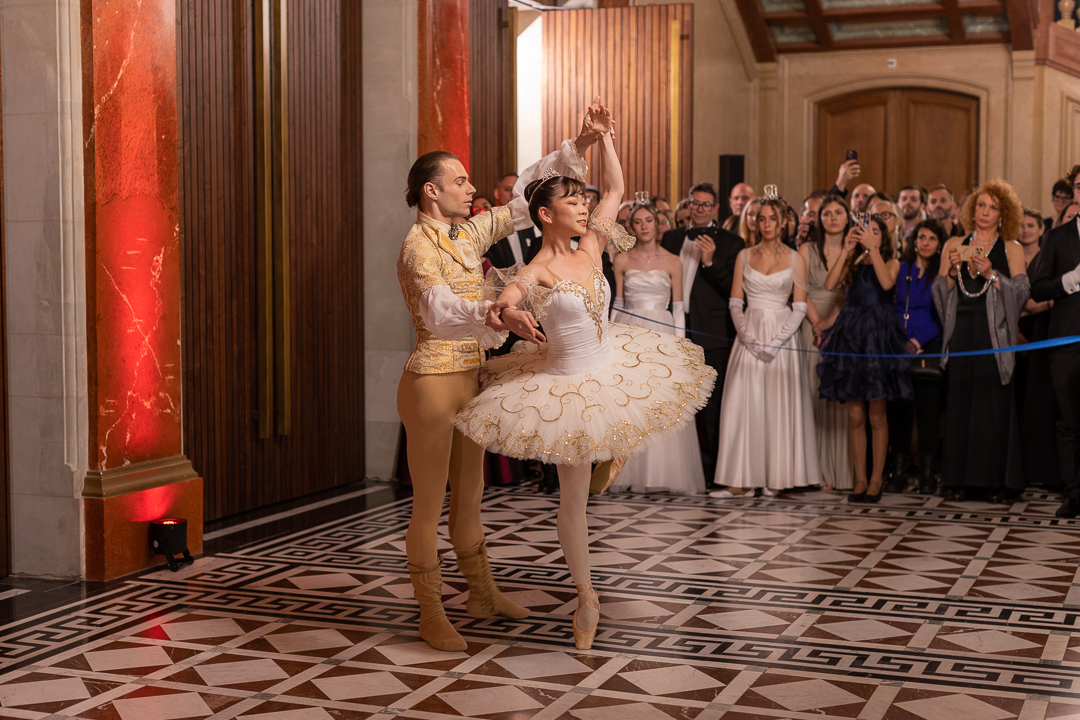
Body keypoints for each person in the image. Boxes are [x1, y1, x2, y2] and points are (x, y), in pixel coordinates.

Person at [455, 101, 715, 650]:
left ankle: (611, 452)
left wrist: (605, 137)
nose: (584, 205)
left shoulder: (593, 243)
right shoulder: (537, 269)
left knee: (629, 424)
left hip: (611, 365)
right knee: (573, 499)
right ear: (545, 214)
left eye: (583, 199)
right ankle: (586, 594)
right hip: (563, 383)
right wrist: (507, 314)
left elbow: (616, 188)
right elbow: (505, 301)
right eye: (572, 200)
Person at [396, 151, 532, 652]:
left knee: (471, 494)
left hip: (470, 380)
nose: (471, 188)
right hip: (432, 383)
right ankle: (431, 613)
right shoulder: (417, 245)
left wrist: (578, 147)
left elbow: (520, 207)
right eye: (460, 181)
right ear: (431, 191)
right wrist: (492, 312)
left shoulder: (466, 233)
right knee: (428, 505)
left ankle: (482, 594)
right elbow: (439, 309)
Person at [710, 196, 820, 497]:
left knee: (778, 403)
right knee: (744, 403)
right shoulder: (744, 256)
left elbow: (799, 307)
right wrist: (748, 338)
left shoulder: (796, 258)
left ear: (783, 222)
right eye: (762, 218)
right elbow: (735, 302)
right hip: (749, 333)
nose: (767, 224)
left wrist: (775, 343)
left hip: (782, 336)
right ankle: (740, 480)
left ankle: (778, 476)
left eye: (772, 219)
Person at [933, 179, 1028, 503]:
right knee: (959, 406)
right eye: (981, 206)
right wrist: (951, 271)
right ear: (972, 210)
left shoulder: (1012, 247)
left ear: (1003, 215)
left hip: (995, 337)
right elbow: (939, 293)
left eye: (993, 207)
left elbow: (1022, 292)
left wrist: (991, 274)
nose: (985, 212)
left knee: (992, 408)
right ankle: (959, 480)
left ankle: (994, 482)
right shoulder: (954, 243)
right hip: (961, 333)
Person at [610, 201, 705, 495]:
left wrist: (681, 346)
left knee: (662, 398)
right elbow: (618, 304)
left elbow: (678, 308)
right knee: (632, 400)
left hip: (663, 331)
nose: (644, 226)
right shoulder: (621, 260)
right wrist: (609, 339)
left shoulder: (673, 261)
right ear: (631, 226)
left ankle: (664, 471)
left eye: (649, 220)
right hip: (629, 332)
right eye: (638, 222)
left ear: (658, 223)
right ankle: (628, 472)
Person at [817, 216, 912, 503]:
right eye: (865, 231)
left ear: (883, 237)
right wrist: (846, 250)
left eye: (875, 232)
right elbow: (829, 284)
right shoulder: (853, 263)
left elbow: (886, 283)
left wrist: (872, 249)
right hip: (851, 335)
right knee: (855, 413)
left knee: (876, 414)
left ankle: (876, 479)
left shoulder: (892, 262)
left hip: (878, 336)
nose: (869, 235)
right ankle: (859, 479)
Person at [661, 183, 745, 484]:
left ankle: (710, 472)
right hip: (671, 329)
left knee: (711, 405)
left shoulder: (732, 242)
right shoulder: (670, 238)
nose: (699, 209)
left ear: (716, 209)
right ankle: (677, 469)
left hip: (712, 333)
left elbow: (734, 290)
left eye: (705, 204)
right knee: (674, 401)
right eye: (694, 203)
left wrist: (709, 262)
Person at [1028, 164, 1080, 517]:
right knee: (1070, 420)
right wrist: (1069, 281)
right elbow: (1038, 288)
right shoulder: (1058, 237)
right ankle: (1074, 492)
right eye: (1079, 186)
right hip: (1067, 341)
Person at [798, 196, 855, 491]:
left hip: (843, 323)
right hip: (810, 323)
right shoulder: (806, 249)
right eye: (827, 213)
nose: (832, 217)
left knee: (840, 398)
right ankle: (813, 472)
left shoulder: (856, 251)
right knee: (811, 392)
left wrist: (833, 320)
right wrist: (817, 322)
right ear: (819, 219)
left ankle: (839, 471)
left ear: (848, 217)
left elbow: (856, 294)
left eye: (838, 212)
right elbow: (799, 289)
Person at [888, 220, 945, 495]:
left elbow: (942, 314)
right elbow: (892, 306)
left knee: (928, 414)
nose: (925, 243)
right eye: (921, 237)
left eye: (932, 238)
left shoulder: (942, 273)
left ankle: (927, 476)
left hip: (929, 346)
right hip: (898, 346)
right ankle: (898, 474)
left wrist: (918, 341)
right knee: (899, 412)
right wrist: (902, 341)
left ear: (939, 244)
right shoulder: (901, 268)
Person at [1016, 207, 1061, 493]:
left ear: (1041, 229)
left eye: (1031, 225)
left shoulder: (1049, 256)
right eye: (1021, 225)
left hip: (1044, 333)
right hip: (1016, 333)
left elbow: (1046, 298)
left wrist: (1039, 307)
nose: (1025, 230)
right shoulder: (1012, 255)